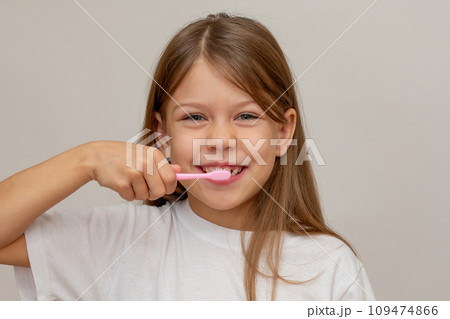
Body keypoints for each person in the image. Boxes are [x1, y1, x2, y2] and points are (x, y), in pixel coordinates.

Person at [0, 12, 375, 301]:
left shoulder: (330, 268)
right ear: (162, 134)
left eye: (246, 116)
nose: (220, 140)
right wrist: (85, 158)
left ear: (282, 133)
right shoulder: (116, 240)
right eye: (194, 117)